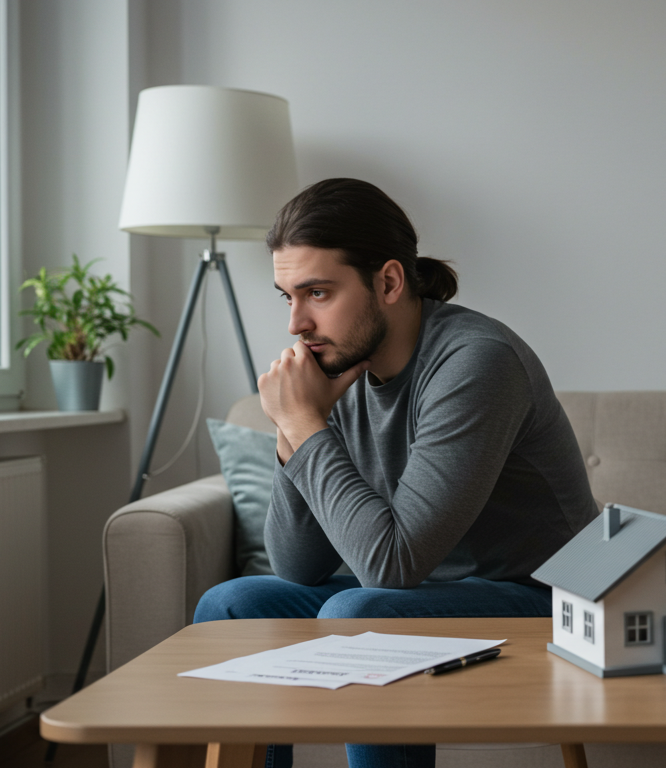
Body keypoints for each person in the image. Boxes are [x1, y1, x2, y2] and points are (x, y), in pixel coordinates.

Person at [194, 178, 597, 768]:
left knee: (359, 616)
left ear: (387, 281)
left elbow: (391, 566)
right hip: (421, 598)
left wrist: (306, 427)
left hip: (545, 606)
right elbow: (297, 565)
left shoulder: (475, 362)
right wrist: (294, 434)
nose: (296, 324)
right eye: (288, 297)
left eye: (318, 293)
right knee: (232, 605)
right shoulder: (341, 370)